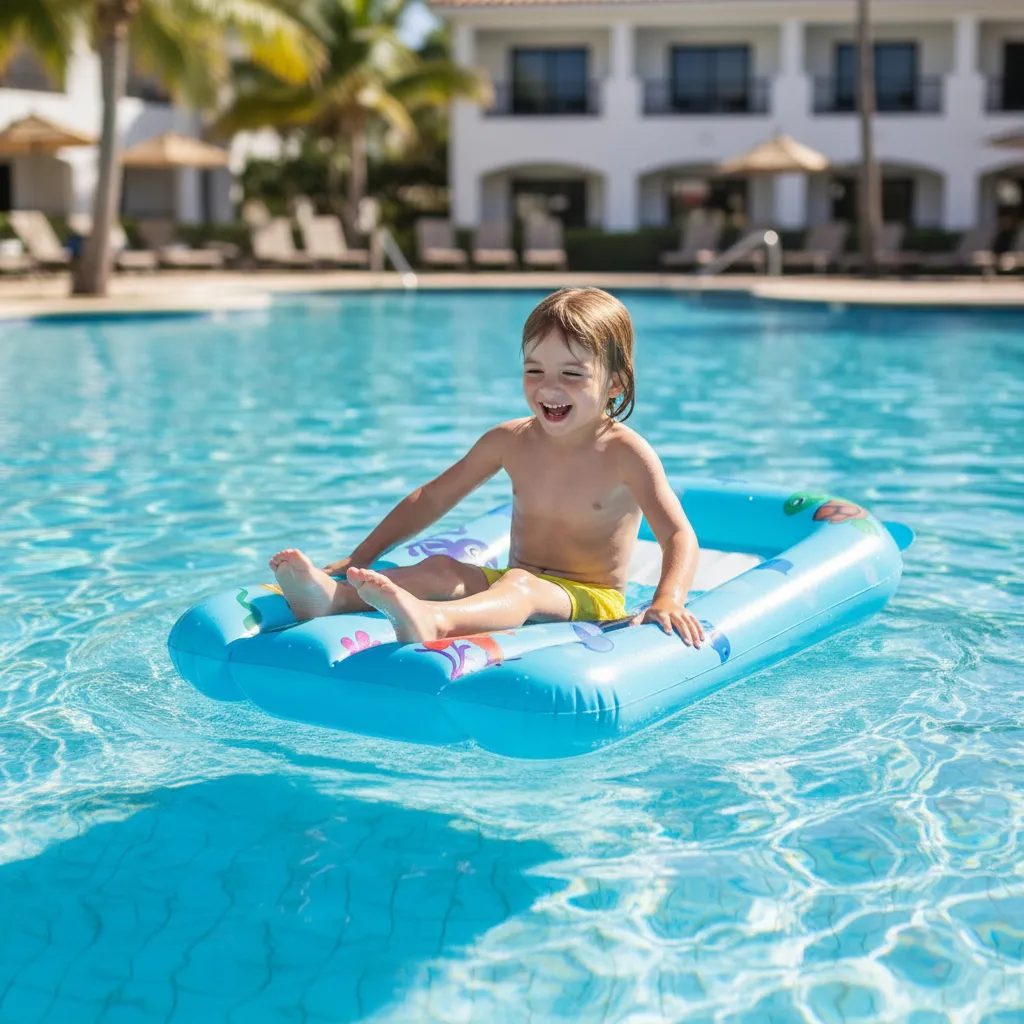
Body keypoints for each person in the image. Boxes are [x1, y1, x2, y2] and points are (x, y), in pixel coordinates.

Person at [269, 287, 704, 648]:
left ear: (614, 385)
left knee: (519, 585)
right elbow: (432, 498)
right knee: (444, 568)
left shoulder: (625, 454)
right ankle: (335, 599)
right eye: (535, 370)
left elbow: (677, 534)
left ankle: (434, 620)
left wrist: (668, 597)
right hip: (512, 583)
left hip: (591, 598)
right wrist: (358, 559)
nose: (549, 387)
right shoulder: (510, 440)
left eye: (572, 374)